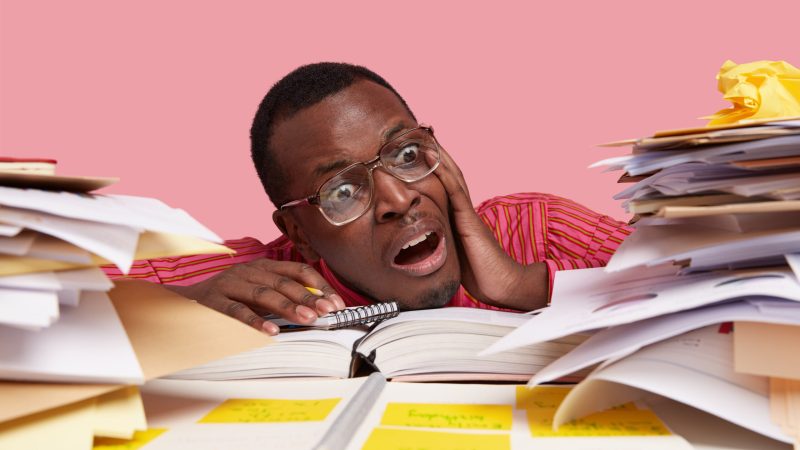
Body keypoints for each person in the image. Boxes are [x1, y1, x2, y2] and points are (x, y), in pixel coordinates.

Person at [104, 62, 632, 335]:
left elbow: (708, 287)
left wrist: (523, 284)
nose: (399, 200)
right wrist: (186, 304)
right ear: (299, 234)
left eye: (406, 155)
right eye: (342, 189)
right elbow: (32, 309)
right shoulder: (248, 280)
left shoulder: (539, 227)